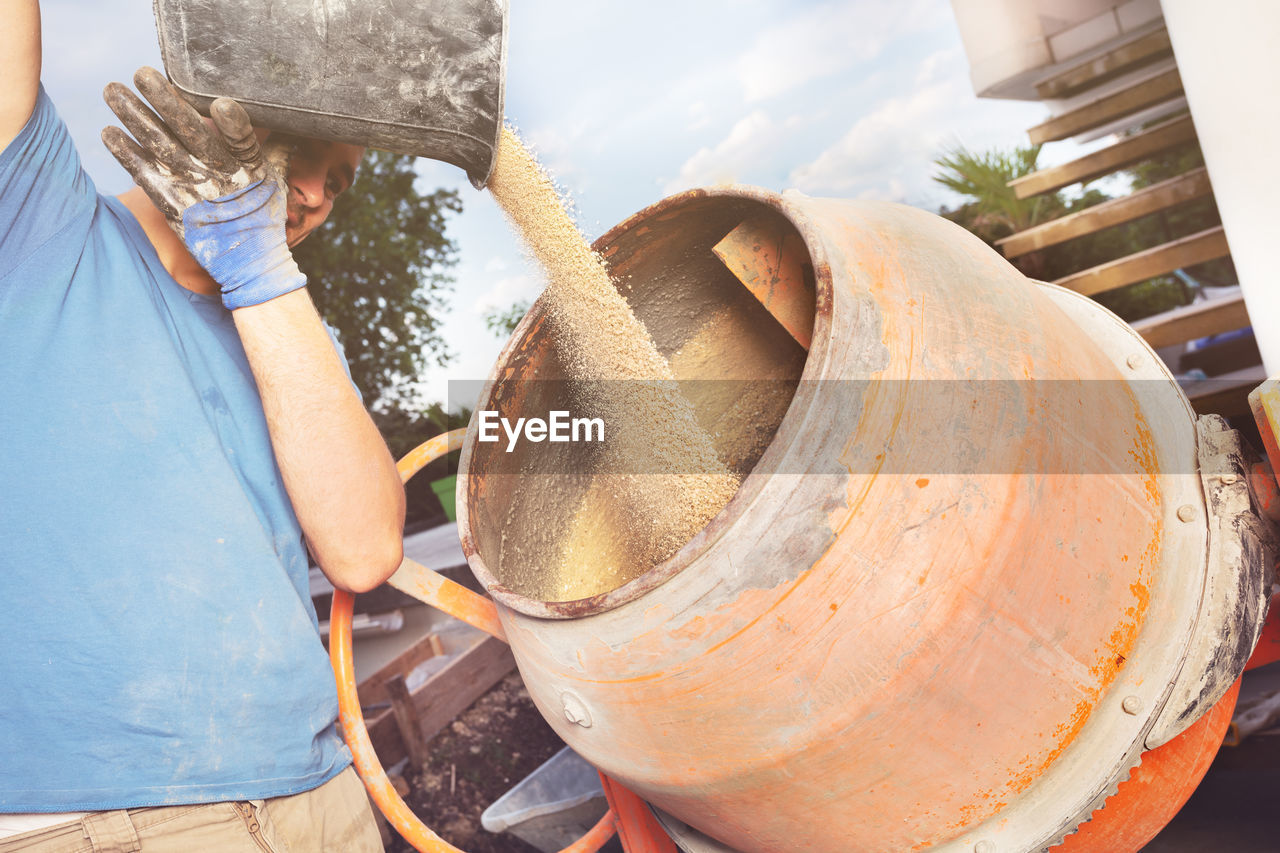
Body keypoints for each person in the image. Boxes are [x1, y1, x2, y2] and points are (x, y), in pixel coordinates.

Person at [0, 1, 404, 849]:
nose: (315, 196)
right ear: (219, 112)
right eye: (301, 152)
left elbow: (364, 550)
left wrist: (259, 270)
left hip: (320, 792)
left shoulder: (288, 326)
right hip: (106, 816)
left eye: (341, 180)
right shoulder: (37, 221)